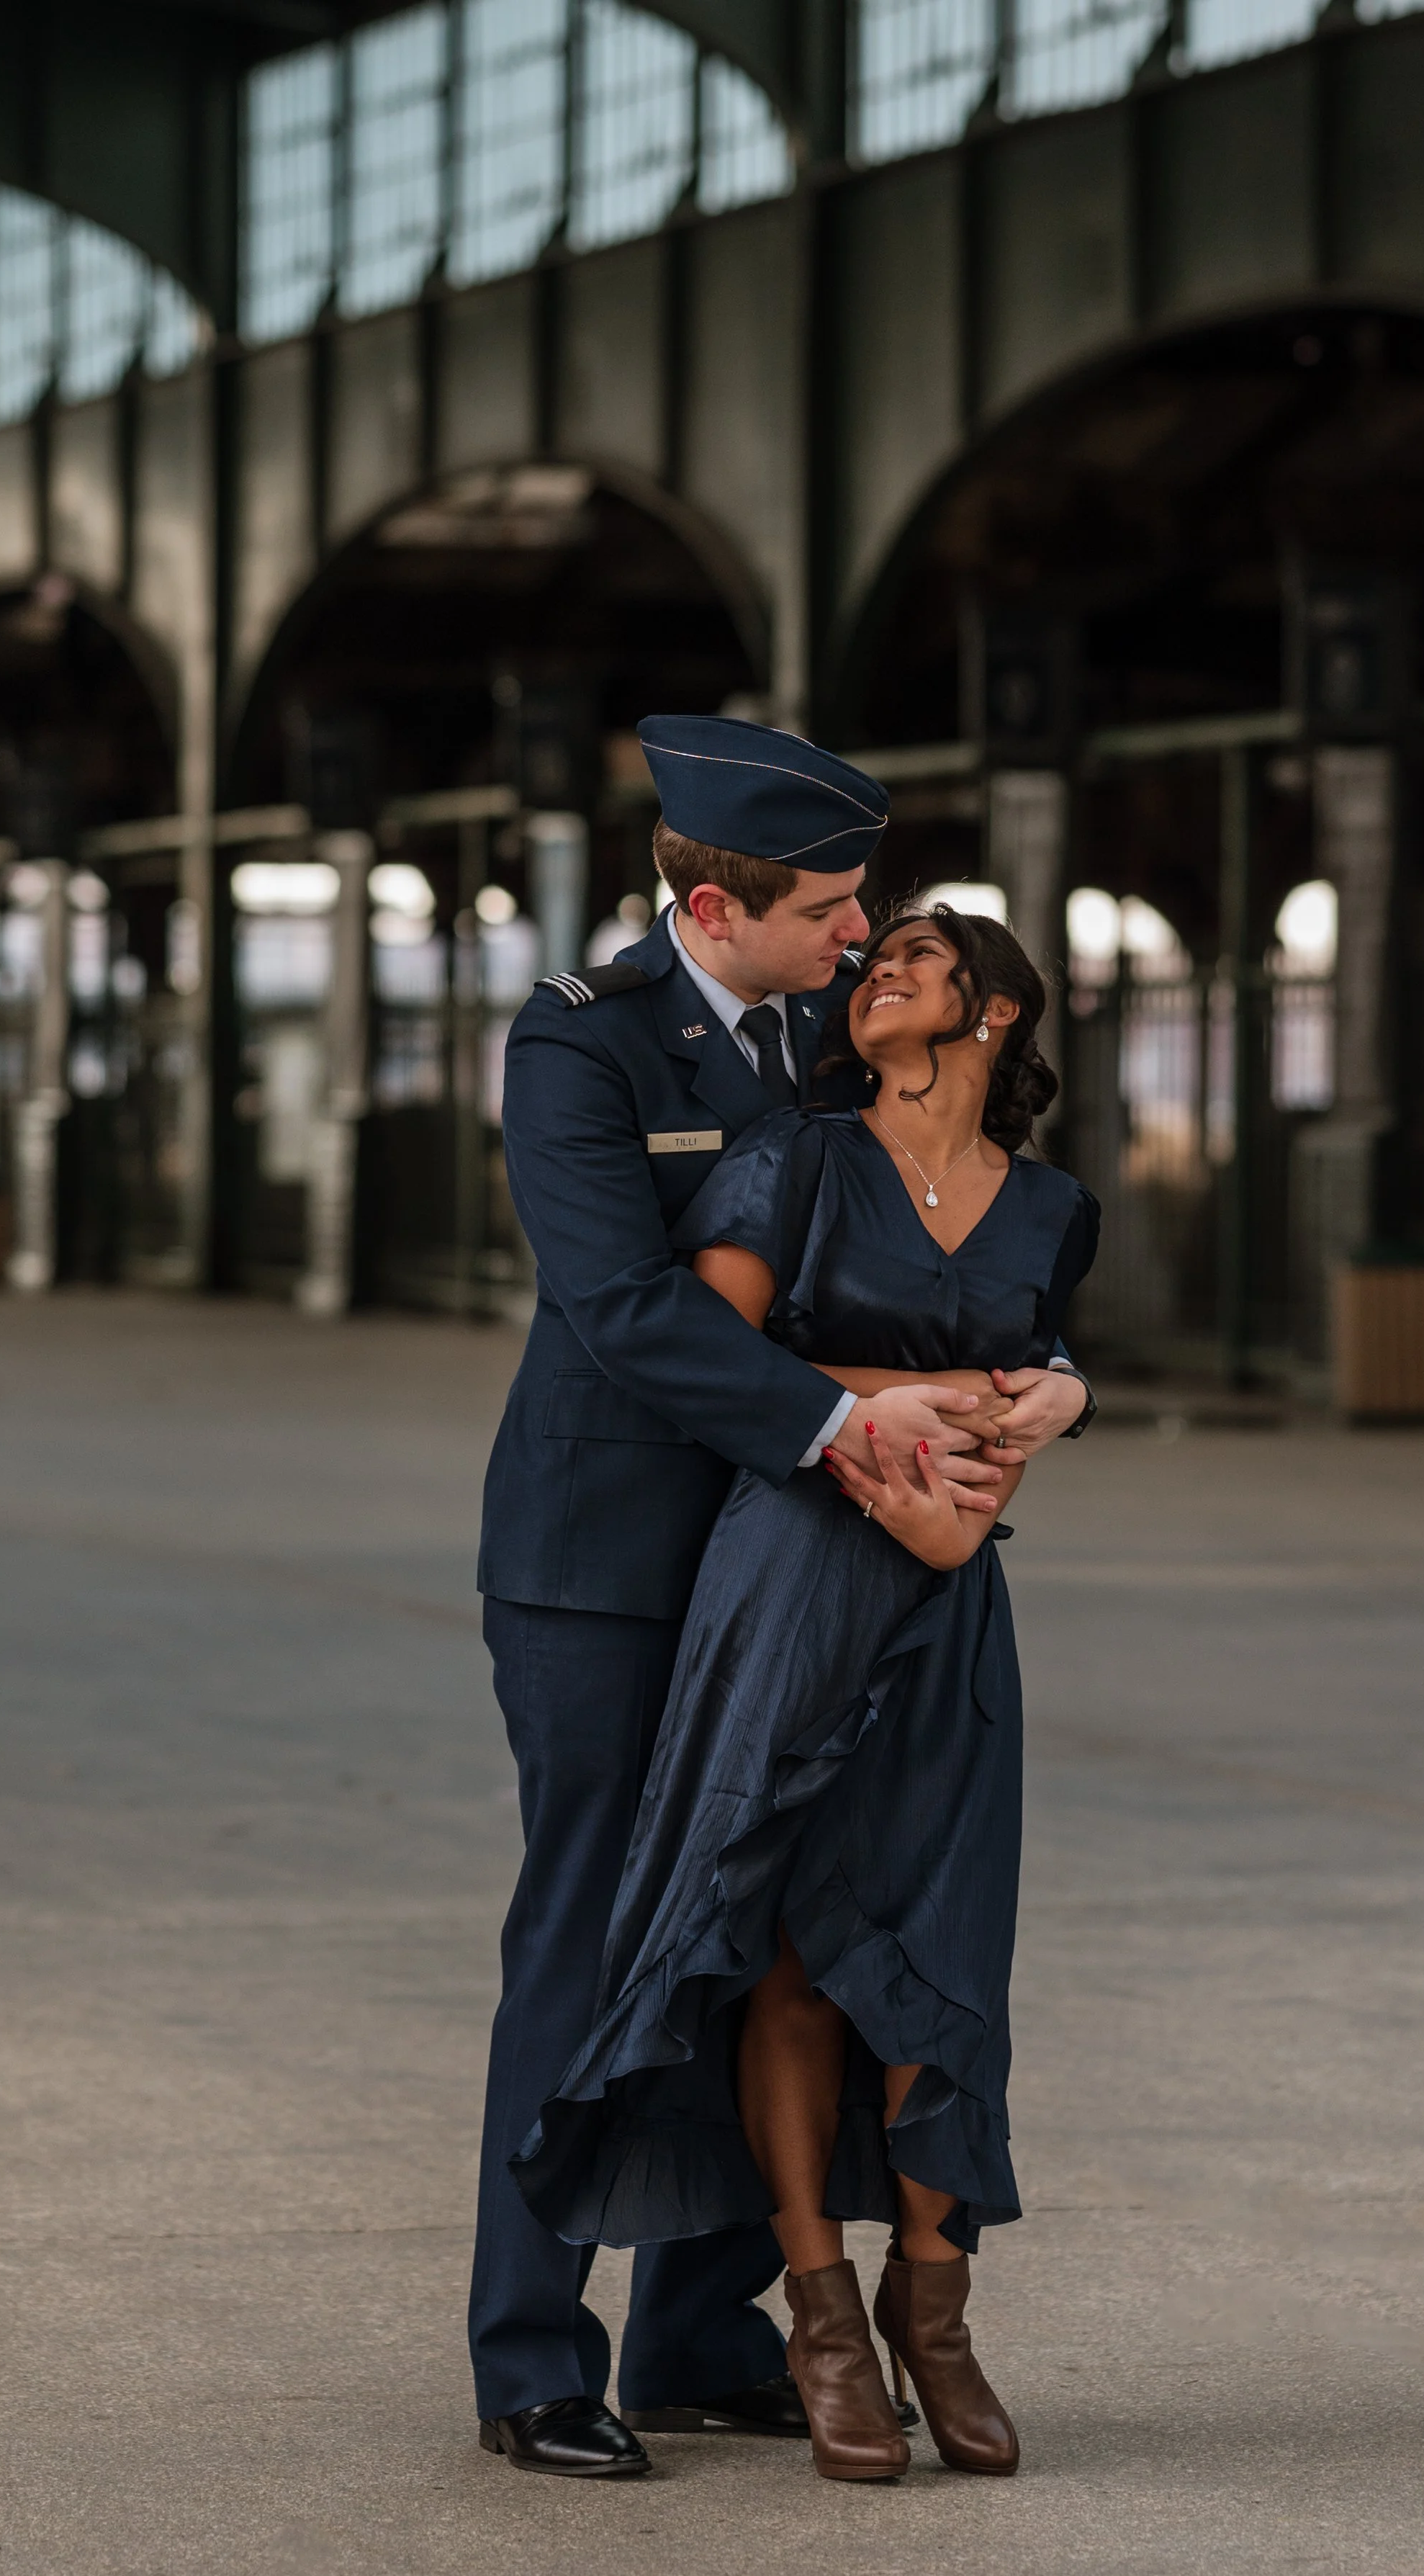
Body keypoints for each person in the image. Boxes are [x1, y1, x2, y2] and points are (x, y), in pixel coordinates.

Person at [471, 717, 1096, 2479]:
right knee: (597, 1936)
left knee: (776, 1933)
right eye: (828, 907)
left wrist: (1041, 1387)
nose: (856, 936)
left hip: (814, 1570)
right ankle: (531, 2357)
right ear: (718, 900)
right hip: (608, 1566)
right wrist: (851, 1423)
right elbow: (629, 1311)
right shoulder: (579, 1046)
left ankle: (693, 2330)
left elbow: (948, 1250)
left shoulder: (844, 1034)